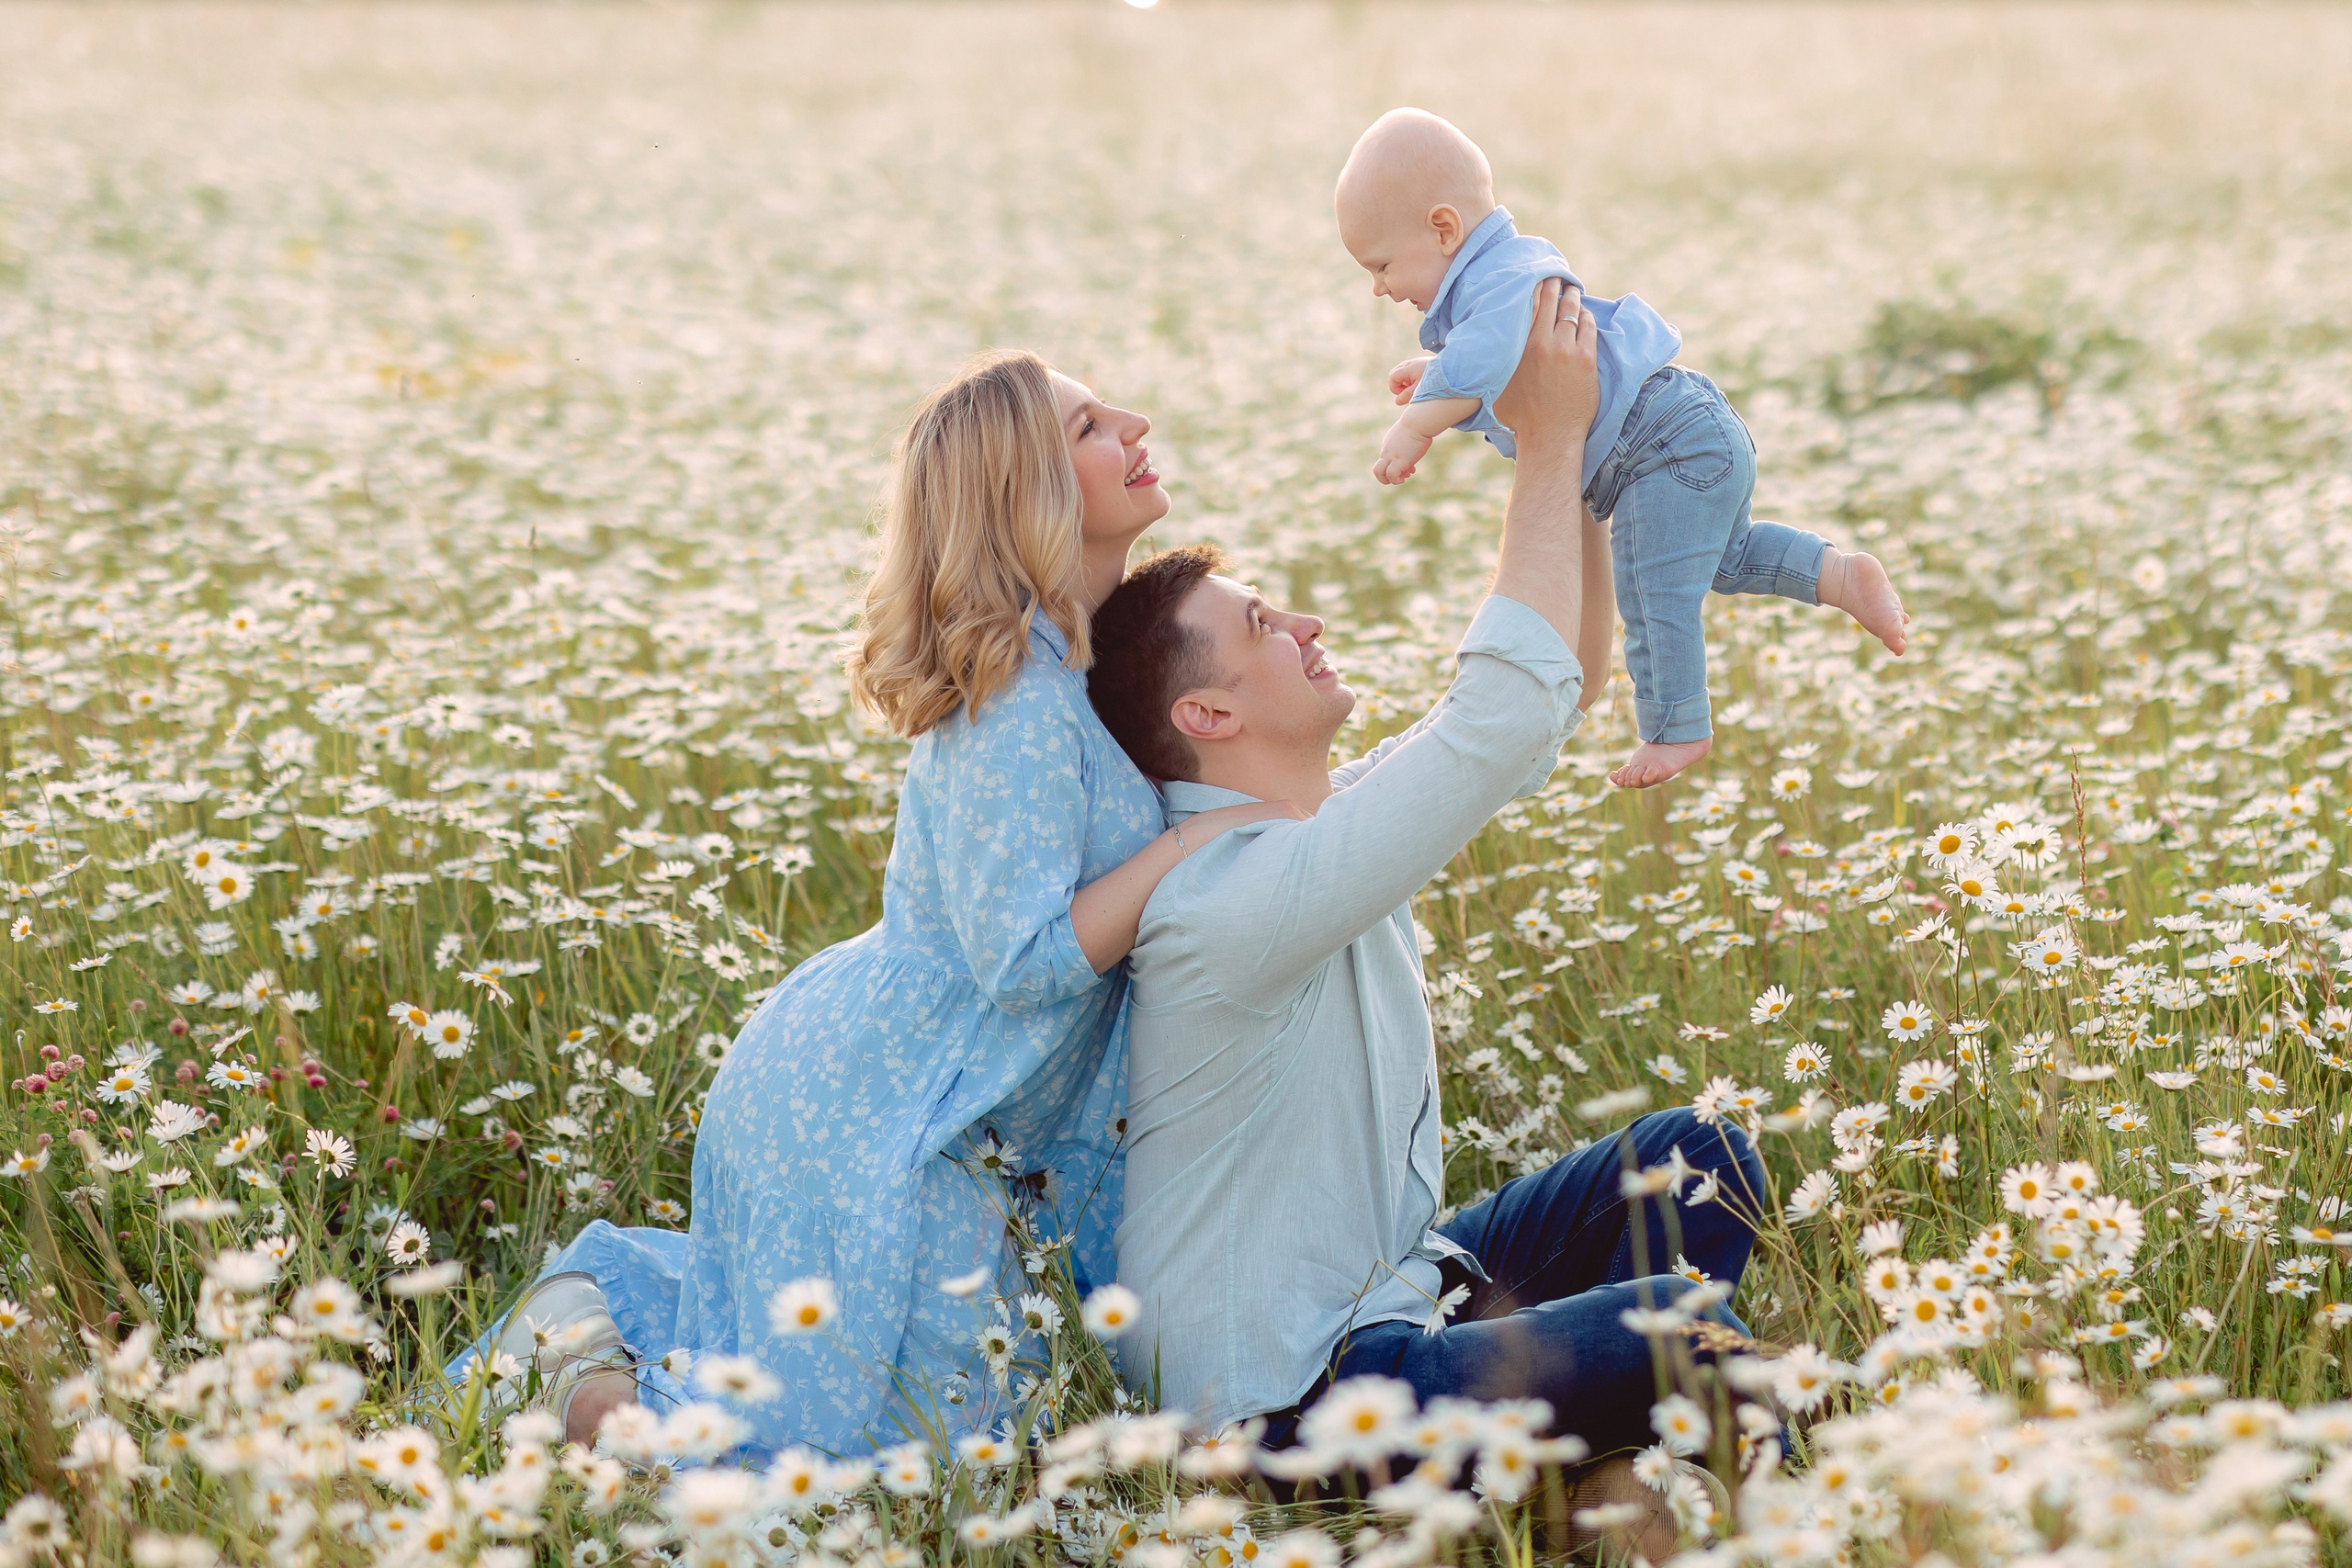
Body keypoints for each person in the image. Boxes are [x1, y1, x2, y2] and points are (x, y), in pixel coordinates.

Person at [470, 352, 1294, 1454]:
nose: (1138, 423)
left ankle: (603, 1331)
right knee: (832, 1470)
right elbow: (1025, 958)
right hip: (890, 1111)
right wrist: (1191, 842)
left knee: (911, 1437)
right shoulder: (1017, 696)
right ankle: (579, 1365)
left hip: (938, 1100)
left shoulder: (1071, 670)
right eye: (1093, 425)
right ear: (1027, 494)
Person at [1085, 281, 1768, 1521]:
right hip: (1296, 1405)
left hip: (1406, 1286)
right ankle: (1760, 1492)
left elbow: (1549, 695)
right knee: (1690, 1326)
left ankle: (1592, 1471)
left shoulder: (1306, 835)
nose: (1306, 621)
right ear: (1210, 715)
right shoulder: (1227, 897)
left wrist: (1601, 475)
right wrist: (1549, 437)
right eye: (1261, 622)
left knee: (1700, 1158)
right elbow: (1499, 719)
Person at [1337, 107, 1909, 789]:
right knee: (1725, 560)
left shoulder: (1498, 282)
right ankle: (1839, 575)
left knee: (1651, 586)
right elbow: (1500, 367)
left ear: (1442, 228)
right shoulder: (1500, 279)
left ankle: (1675, 727)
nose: (1379, 287)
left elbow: (1487, 359)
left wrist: (1416, 426)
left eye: (1381, 265)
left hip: (1659, 450)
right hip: (1690, 428)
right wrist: (1434, 377)